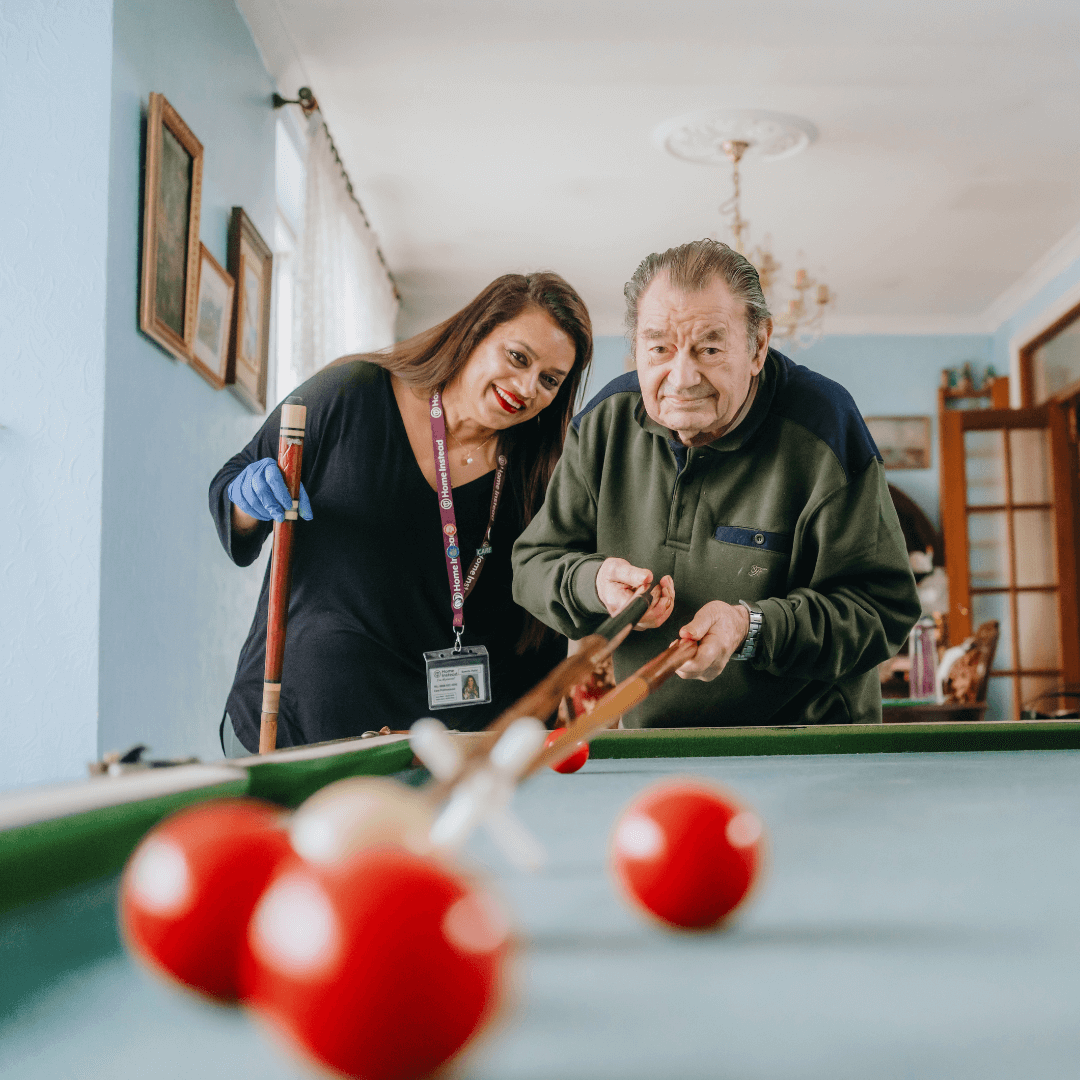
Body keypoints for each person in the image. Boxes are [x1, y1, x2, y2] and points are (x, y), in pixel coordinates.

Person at [511, 240, 921, 727]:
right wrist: (594, 584)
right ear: (636, 348)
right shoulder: (604, 423)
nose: (682, 377)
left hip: (805, 743)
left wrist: (752, 628)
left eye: (708, 347)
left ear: (758, 346)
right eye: (659, 347)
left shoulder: (825, 425)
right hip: (654, 745)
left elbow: (882, 608)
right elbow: (532, 566)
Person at [210, 272, 592, 752]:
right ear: (475, 333)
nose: (526, 386)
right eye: (518, 357)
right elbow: (232, 485)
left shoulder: (541, 473)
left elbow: (534, 632)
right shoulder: (351, 393)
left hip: (431, 754)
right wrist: (248, 501)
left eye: (549, 380)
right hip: (292, 728)